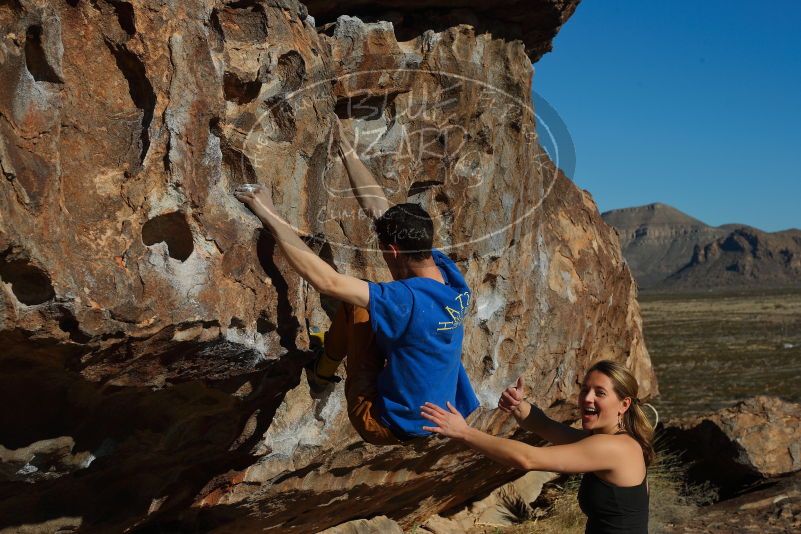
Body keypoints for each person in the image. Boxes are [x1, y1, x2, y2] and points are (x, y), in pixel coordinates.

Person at [234, 117, 479, 445]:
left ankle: (322, 372)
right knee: (377, 310)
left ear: (393, 251)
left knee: (356, 302)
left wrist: (268, 212)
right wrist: (347, 151)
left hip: (383, 420)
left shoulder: (405, 300)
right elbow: (381, 209)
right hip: (440, 419)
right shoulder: (450, 277)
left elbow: (328, 282)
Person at [420, 360, 654, 534]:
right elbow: (548, 427)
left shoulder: (615, 448)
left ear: (624, 404)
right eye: (585, 390)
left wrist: (463, 432)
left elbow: (528, 459)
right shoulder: (609, 442)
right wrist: (519, 407)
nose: (587, 398)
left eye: (599, 393)